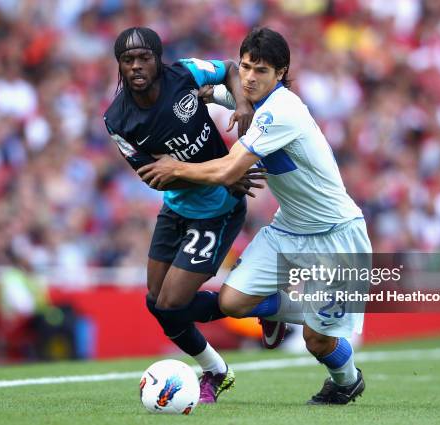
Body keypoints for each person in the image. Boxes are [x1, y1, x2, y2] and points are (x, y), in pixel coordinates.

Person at [138, 27, 371, 405]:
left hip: (338, 234)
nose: (248, 77)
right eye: (245, 66)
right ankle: (278, 312)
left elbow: (229, 170)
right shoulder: (246, 94)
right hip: (289, 229)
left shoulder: (283, 110)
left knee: (318, 340)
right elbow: (206, 91)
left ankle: (346, 382)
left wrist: (175, 168)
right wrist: (191, 96)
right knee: (231, 303)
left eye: (260, 70)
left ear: (280, 73)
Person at [103, 27, 263, 403]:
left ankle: (263, 303)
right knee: (155, 302)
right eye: (128, 60)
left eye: (144, 58)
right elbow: (153, 177)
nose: (137, 66)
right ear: (120, 67)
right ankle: (217, 369)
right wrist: (213, 173)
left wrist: (240, 105)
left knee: (172, 304)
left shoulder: (186, 73)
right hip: (175, 209)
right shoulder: (117, 120)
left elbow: (227, 68)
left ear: (158, 59)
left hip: (218, 209)